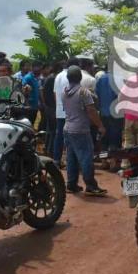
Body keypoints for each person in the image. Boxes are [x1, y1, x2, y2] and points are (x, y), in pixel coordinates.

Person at [62, 65, 107, 196]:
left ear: (68, 78)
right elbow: (91, 111)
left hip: (68, 128)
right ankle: (91, 185)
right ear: (80, 77)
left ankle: (71, 184)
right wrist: (100, 126)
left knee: (71, 158)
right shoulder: (83, 92)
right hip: (80, 130)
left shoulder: (64, 92)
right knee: (86, 157)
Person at [54, 57, 79, 164]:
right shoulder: (72, 76)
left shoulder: (58, 76)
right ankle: (72, 161)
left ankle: (57, 159)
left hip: (60, 110)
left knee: (59, 135)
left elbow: (55, 94)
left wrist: (59, 107)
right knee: (73, 136)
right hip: (71, 112)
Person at [95, 70, 122, 170]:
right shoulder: (119, 79)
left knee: (104, 137)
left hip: (103, 113)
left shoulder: (100, 79)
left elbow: (96, 96)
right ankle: (114, 163)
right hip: (116, 113)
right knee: (115, 137)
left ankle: (104, 162)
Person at [42, 61, 61, 156]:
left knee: (50, 130)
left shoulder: (50, 77)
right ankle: (51, 151)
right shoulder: (54, 78)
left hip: (49, 107)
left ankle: (47, 149)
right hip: (52, 108)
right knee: (53, 131)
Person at [21, 61, 42, 126]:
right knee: (28, 125)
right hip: (29, 106)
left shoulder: (35, 77)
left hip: (34, 106)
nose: (40, 70)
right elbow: (23, 90)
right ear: (33, 68)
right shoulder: (28, 77)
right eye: (38, 68)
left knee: (32, 124)